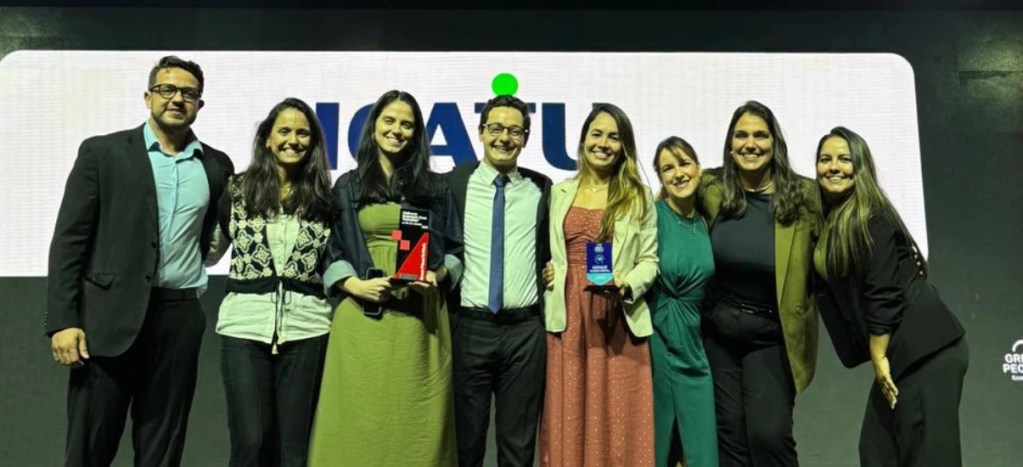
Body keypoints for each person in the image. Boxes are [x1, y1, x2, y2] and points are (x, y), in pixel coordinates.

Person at [46, 55, 234, 466]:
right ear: (148, 96)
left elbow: (212, 237)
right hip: (107, 321)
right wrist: (63, 321)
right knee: (89, 449)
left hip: (178, 319)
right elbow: (69, 242)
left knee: (161, 452)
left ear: (200, 105)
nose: (177, 99)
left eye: (188, 93)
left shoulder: (217, 166)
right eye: (167, 89)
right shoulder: (104, 153)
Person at [308, 90, 464, 467]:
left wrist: (439, 274)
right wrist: (353, 285)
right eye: (389, 121)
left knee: (416, 422)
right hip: (362, 319)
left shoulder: (435, 188)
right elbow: (329, 249)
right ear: (373, 126)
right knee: (357, 421)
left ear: (417, 133)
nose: (397, 130)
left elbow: (457, 252)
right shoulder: (347, 185)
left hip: (419, 321)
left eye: (406, 124)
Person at [812, 126, 967, 467]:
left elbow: (883, 292)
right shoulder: (833, 220)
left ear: (861, 167)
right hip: (902, 355)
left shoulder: (872, 216)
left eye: (844, 159)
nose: (833, 166)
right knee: (878, 452)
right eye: (825, 160)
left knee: (927, 457)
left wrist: (878, 355)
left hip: (926, 351)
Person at [205, 98, 337, 467]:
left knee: (293, 450)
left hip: (309, 329)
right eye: (284, 131)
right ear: (266, 138)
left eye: (302, 133)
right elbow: (210, 252)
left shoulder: (326, 200)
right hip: (244, 326)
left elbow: (337, 261)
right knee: (252, 442)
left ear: (312, 143)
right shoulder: (236, 191)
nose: (293, 140)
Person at [697, 100, 818, 467]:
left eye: (760, 135)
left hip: (772, 336)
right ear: (730, 145)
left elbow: (844, 242)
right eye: (742, 135)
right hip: (718, 336)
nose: (751, 144)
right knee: (729, 435)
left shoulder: (806, 196)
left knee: (768, 435)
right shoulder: (710, 188)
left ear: (775, 142)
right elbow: (653, 216)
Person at [540, 103, 658, 467]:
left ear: (624, 147)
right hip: (568, 315)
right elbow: (552, 252)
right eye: (597, 134)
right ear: (583, 139)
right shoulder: (559, 192)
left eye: (613, 137)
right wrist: (551, 271)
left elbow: (650, 261)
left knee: (617, 414)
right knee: (569, 410)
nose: (604, 143)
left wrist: (626, 285)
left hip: (616, 316)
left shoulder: (637, 196)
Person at [445, 95, 552, 467]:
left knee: (518, 447)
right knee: (466, 442)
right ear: (480, 132)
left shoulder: (544, 189)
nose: (504, 137)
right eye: (496, 128)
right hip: (469, 328)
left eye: (514, 130)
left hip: (525, 332)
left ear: (525, 138)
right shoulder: (453, 185)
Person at [648, 137, 718, 467]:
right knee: (657, 446)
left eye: (684, 163)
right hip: (656, 343)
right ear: (660, 177)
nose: (678, 173)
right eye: (668, 168)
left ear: (698, 168)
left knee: (702, 453)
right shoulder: (650, 216)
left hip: (694, 346)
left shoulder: (707, 222)